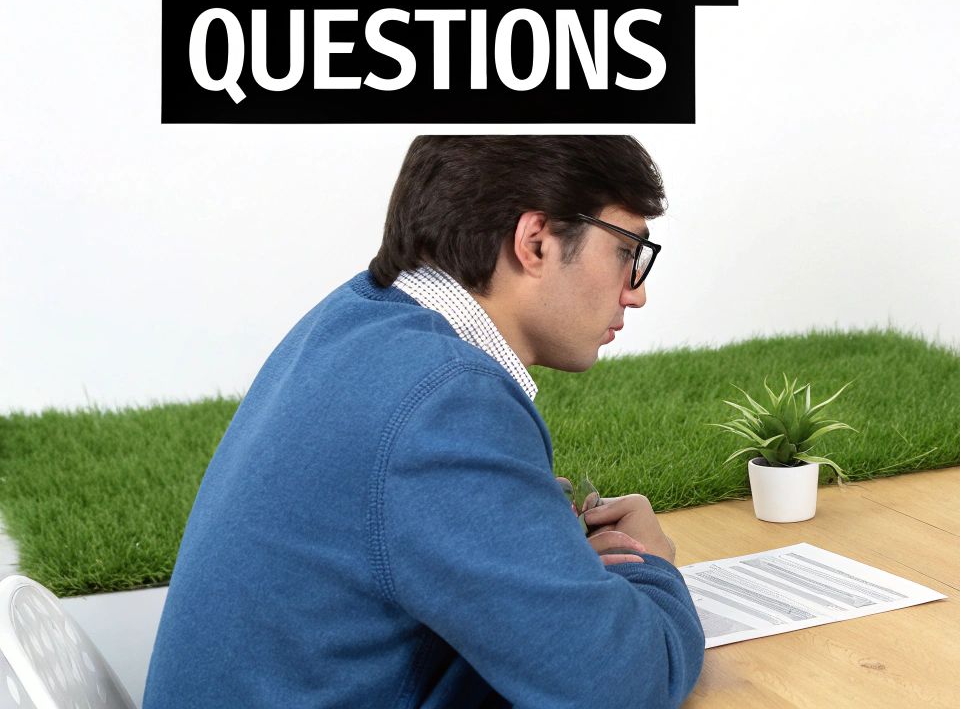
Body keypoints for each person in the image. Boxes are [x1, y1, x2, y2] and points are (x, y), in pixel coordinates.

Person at [144, 136, 705, 706]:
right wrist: (651, 568)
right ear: (534, 242)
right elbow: (619, 687)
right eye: (626, 252)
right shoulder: (446, 402)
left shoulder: (356, 316)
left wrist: (542, 546)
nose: (635, 293)